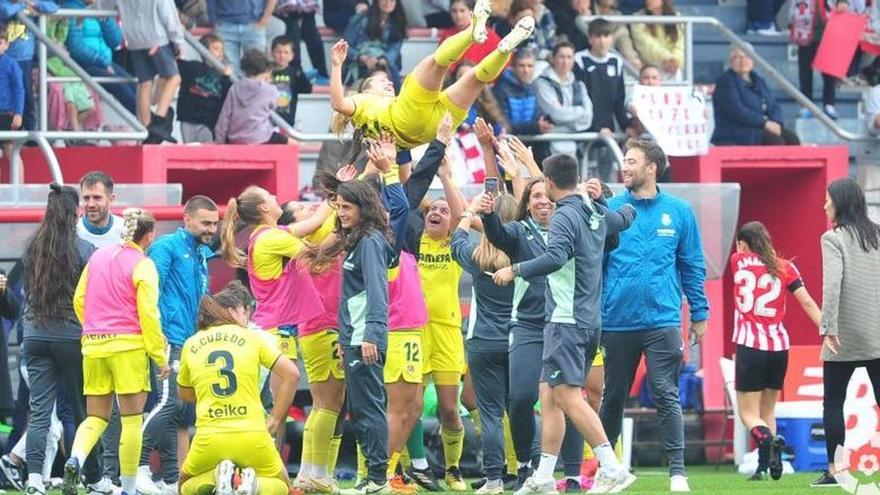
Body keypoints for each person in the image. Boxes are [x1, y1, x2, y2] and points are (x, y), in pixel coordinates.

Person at [492, 154, 636, 494]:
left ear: (551, 184)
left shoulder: (564, 216)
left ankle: (612, 466)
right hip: (589, 320)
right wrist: (607, 198)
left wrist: (514, 269)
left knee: (569, 397)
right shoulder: (593, 209)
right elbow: (625, 218)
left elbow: (556, 257)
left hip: (566, 320)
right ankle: (543, 476)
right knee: (550, 395)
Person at [599, 139, 708, 493]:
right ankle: (606, 470)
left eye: (631, 161)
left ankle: (677, 473)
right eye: (624, 162)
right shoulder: (610, 209)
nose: (624, 167)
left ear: (652, 168)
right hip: (616, 319)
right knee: (613, 396)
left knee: (665, 391)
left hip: (662, 319)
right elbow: (595, 266)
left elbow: (692, 266)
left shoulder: (679, 211)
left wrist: (700, 314)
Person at [330, 0, 536, 150]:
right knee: (437, 62)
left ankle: (505, 48)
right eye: (379, 82)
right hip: (408, 115)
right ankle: (471, 31)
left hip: (436, 128)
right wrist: (337, 65)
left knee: (476, 79)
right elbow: (339, 103)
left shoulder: (372, 136)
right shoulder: (363, 104)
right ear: (365, 91)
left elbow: (401, 176)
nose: (388, 82)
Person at [64, 209, 171, 495]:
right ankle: (129, 488)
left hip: (94, 345)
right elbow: (148, 314)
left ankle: (76, 458)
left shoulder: (98, 256)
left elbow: (79, 298)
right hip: (129, 347)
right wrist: (159, 356)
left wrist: (93, 327)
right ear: (149, 235)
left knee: (96, 417)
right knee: (131, 419)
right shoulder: (143, 264)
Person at [176, 284, 298, 495]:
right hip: (253, 434)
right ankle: (254, 485)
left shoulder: (191, 343)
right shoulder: (254, 338)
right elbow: (292, 375)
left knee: (184, 485)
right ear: (232, 312)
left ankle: (217, 478)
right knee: (284, 486)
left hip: (209, 437)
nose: (247, 318)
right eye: (244, 312)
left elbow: (184, 394)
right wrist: (276, 418)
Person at [136, 195, 220, 495]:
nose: (211, 229)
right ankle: (136, 464)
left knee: (177, 409)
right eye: (205, 223)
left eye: (214, 223)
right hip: (168, 338)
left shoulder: (200, 253)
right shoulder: (166, 247)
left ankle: (171, 478)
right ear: (187, 220)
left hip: (188, 341)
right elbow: (149, 290)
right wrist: (156, 334)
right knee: (169, 403)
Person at [20, 184, 97, 495]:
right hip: (72, 336)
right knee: (82, 410)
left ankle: (35, 479)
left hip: (35, 335)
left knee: (39, 412)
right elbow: (91, 298)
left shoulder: (30, 248)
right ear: (75, 213)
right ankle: (89, 475)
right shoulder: (85, 250)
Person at [729, 221, 821, 481]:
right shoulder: (786, 267)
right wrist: (828, 329)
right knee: (768, 411)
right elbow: (807, 302)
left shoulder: (738, 261)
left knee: (748, 413)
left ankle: (767, 441)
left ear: (743, 244)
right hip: (779, 347)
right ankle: (765, 466)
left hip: (750, 346)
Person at [812, 177, 880, 488]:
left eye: (828, 199)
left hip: (844, 336)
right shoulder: (877, 234)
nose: (824, 205)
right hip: (877, 333)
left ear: (840, 203)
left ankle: (836, 470)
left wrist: (828, 328)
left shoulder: (832, 238)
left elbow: (832, 286)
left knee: (833, 404)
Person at [451, 192, 516, 495]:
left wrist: (469, 211)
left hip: (483, 341)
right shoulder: (525, 254)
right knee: (520, 410)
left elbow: (456, 240)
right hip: (519, 341)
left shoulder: (477, 257)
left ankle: (493, 479)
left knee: (490, 414)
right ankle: (526, 471)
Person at [334, 180, 397, 495]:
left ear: (363, 208)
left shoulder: (370, 241)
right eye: (339, 206)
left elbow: (376, 290)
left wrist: (371, 333)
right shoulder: (359, 240)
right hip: (355, 337)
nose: (341, 212)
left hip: (365, 338)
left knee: (369, 408)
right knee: (360, 409)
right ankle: (373, 477)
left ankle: (377, 478)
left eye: (347, 207)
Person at [98, 0, 184, 144]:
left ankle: (145, 128)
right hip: (157, 39)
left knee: (145, 83)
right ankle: (159, 121)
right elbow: (168, 15)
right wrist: (178, 41)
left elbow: (104, 5)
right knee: (174, 78)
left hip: (134, 40)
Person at [575, 19, 630, 181]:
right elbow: (580, 99)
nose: (602, 40)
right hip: (585, 130)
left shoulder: (616, 62)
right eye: (597, 36)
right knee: (586, 177)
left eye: (606, 36)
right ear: (590, 38)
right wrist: (595, 127)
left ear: (612, 38)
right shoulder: (579, 60)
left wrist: (626, 125)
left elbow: (620, 100)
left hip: (609, 131)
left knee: (608, 179)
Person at [711, 46, 799, 146]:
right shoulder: (725, 81)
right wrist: (765, 123)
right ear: (731, 62)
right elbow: (737, 111)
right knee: (775, 141)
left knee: (792, 139)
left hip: (760, 127)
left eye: (747, 56)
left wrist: (776, 122)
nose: (743, 60)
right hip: (737, 130)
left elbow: (774, 105)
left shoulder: (759, 81)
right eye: (738, 57)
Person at [62, 0, 137, 116]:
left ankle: (150, 122)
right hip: (82, 65)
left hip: (105, 62)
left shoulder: (98, 7)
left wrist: (105, 19)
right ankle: (147, 123)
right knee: (120, 86)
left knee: (133, 83)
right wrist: (103, 62)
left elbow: (116, 40)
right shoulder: (71, 8)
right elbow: (76, 49)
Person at [215, 49, 296, 145]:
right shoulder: (270, 89)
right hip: (261, 136)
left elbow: (225, 117)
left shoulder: (234, 88)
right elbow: (275, 106)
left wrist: (219, 141)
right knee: (294, 143)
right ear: (265, 69)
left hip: (235, 137)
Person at [0, 0, 58, 131]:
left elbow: (53, 6)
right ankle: (14, 132)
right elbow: (6, 11)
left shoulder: (32, 2)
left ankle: (31, 133)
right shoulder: (4, 3)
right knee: (8, 94)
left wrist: (35, 4)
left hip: (24, 59)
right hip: (5, 59)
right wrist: (23, 6)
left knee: (27, 96)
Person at [535, 41, 593, 156]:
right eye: (561, 57)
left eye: (569, 57)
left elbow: (588, 118)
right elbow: (555, 114)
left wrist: (560, 123)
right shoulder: (542, 83)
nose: (565, 62)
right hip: (546, 147)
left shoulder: (579, 85)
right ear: (553, 58)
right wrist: (579, 111)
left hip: (573, 148)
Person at [177, 34, 233, 144]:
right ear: (204, 51)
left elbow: (227, 96)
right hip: (188, 118)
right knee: (189, 149)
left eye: (221, 50)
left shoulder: (224, 76)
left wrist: (227, 77)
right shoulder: (192, 67)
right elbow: (175, 63)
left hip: (208, 122)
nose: (220, 53)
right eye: (216, 49)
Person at [789, 0, 839, 119]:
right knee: (805, 70)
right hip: (804, 31)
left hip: (828, 31)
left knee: (829, 72)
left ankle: (829, 104)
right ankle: (806, 105)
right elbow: (793, 8)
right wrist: (792, 25)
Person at [342, 0, 408, 87]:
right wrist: (362, 58)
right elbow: (346, 46)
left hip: (384, 65)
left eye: (392, 0)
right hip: (358, 65)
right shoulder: (360, 19)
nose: (388, 3)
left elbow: (394, 50)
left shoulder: (397, 23)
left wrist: (382, 59)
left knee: (382, 76)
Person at [493, 48, 553, 137]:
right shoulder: (500, 89)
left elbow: (538, 116)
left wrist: (544, 124)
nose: (526, 70)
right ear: (513, 67)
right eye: (521, 66)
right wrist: (535, 127)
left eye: (530, 66)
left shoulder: (532, 88)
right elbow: (505, 125)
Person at [206, 0, 276, 77]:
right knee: (229, 71)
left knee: (257, 68)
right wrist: (213, 19)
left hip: (254, 25)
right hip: (225, 25)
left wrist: (265, 18)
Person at [275, 0, 330, 84]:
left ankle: (321, 73)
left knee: (313, 36)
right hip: (285, 11)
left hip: (306, 9)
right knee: (293, 33)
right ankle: (298, 72)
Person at [440, 0, 502, 72]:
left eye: (462, 11)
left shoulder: (489, 35)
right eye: (454, 11)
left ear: (471, 12)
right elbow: (441, 64)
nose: (458, 15)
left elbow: (499, 64)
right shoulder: (447, 35)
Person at [630, 0, 683, 81]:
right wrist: (667, 58)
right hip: (648, 67)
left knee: (677, 75)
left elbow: (680, 44)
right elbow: (646, 44)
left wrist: (675, 61)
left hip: (673, 67)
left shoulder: (677, 17)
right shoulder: (638, 18)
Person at [270, 35, 313, 128]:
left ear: (292, 55)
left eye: (286, 52)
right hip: (267, 120)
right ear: (272, 53)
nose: (282, 56)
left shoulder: (295, 73)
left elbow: (307, 89)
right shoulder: (266, 72)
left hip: (287, 121)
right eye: (278, 52)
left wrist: (301, 75)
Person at [77, 171, 125, 248]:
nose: (91, 204)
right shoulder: (73, 233)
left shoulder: (127, 231)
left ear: (111, 199)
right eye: (86, 198)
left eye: (97, 198)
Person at [0, 22, 23, 162]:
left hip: (8, 113)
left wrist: (18, 113)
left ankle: (19, 184)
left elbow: (19, 90)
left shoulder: (12, 64)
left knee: (11, 150)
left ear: (7, 45)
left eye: (0, 42)